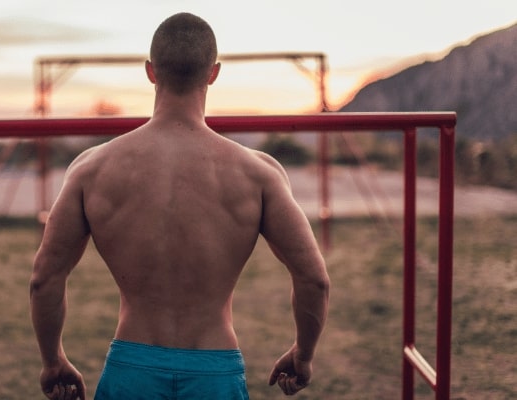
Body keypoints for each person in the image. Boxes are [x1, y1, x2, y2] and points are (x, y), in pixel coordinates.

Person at [30, 12, 330, 400]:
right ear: (214, 73)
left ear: (151, 72)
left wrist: (52, 361)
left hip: (131, 371)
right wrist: (303, 354)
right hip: (214, 370)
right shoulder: (259, 174)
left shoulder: (91, 169)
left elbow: (44, 279)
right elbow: (314, 279)